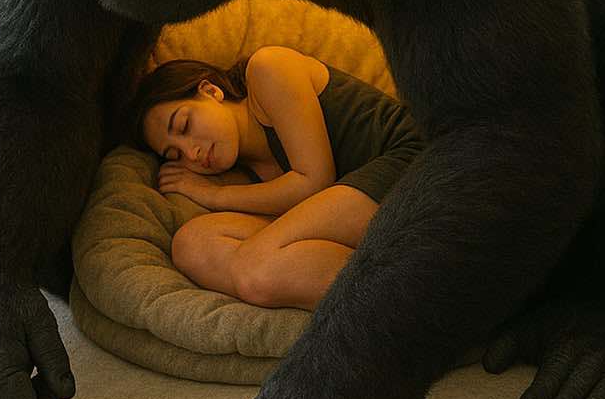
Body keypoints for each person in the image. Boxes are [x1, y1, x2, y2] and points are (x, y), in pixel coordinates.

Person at [124, 46, 427, 311]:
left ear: (211, 91)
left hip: (417, 166)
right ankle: (393, 296)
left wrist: (213, 195)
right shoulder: (243, 173)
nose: (192, 153)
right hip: (358, 211)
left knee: (255, 269)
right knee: (192, 244)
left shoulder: (268, 68)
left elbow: (313, 181)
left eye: (184, 125)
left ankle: (423, 307)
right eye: (175, 154)